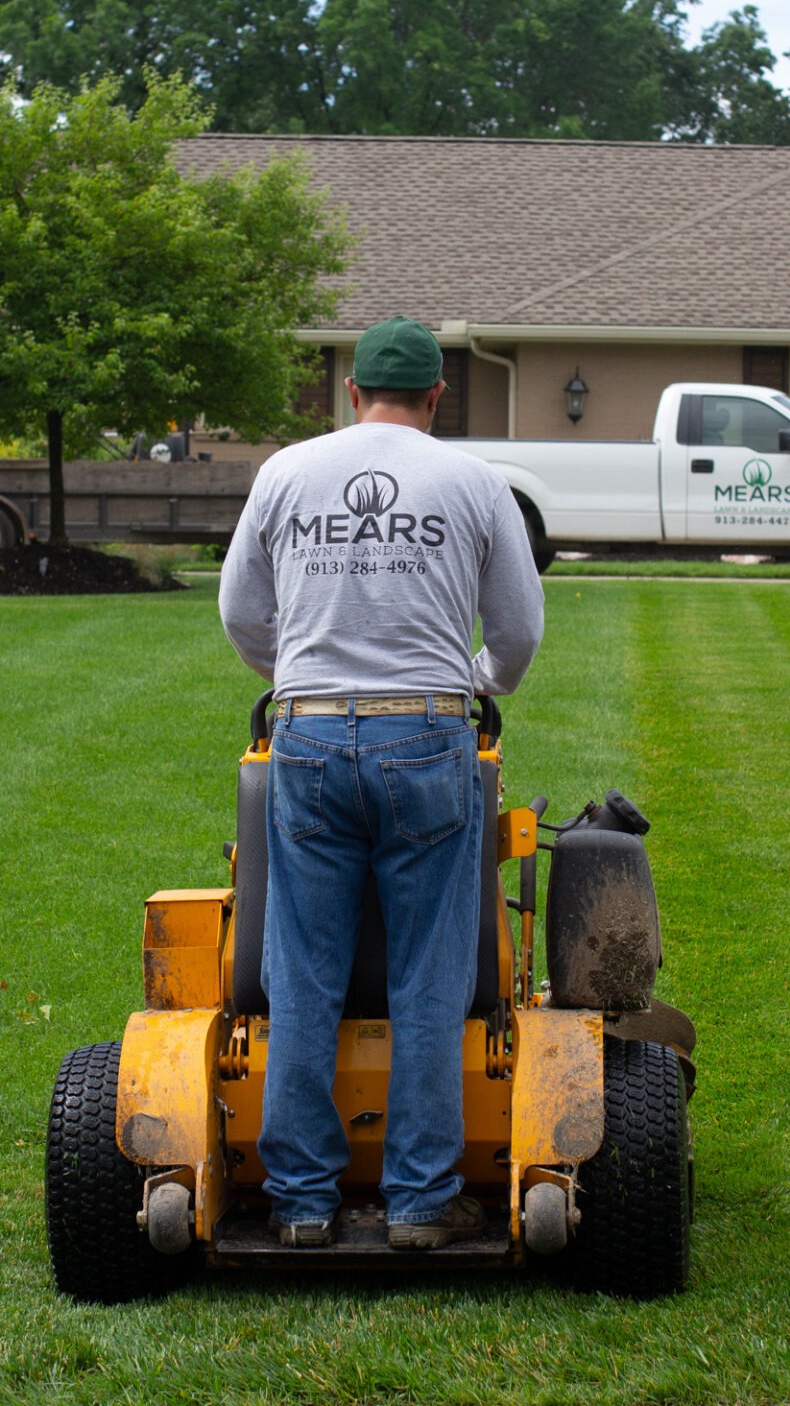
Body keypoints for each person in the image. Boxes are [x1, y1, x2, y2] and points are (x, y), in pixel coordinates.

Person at [218, 313, 545, 1251]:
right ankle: (417, 1200)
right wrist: (478, 684)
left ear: (351, 394)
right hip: (430, 740)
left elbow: (242, 613)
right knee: (433, 977)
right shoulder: (474, 482)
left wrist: (303, 672)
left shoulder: (286, 473)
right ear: (437, 397)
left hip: (309, 740)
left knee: (301, 971)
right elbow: (517, 630)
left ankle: (302, 1200)